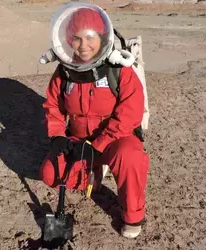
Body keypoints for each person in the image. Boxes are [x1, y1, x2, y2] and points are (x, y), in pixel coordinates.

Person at [40, 2, 149, 239]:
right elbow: (53, 107)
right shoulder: (64, 72)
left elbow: (129, 113)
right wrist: (58, 136)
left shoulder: (118, 70)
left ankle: (133, 215)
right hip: (78, 140)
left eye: (90, 38)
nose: (83, 45)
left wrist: (96, 146)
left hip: (114, 141)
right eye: (77, 39)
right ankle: (94, 175)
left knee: (130, 157)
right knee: (51, 174)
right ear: (69, 40)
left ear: (101, 37)